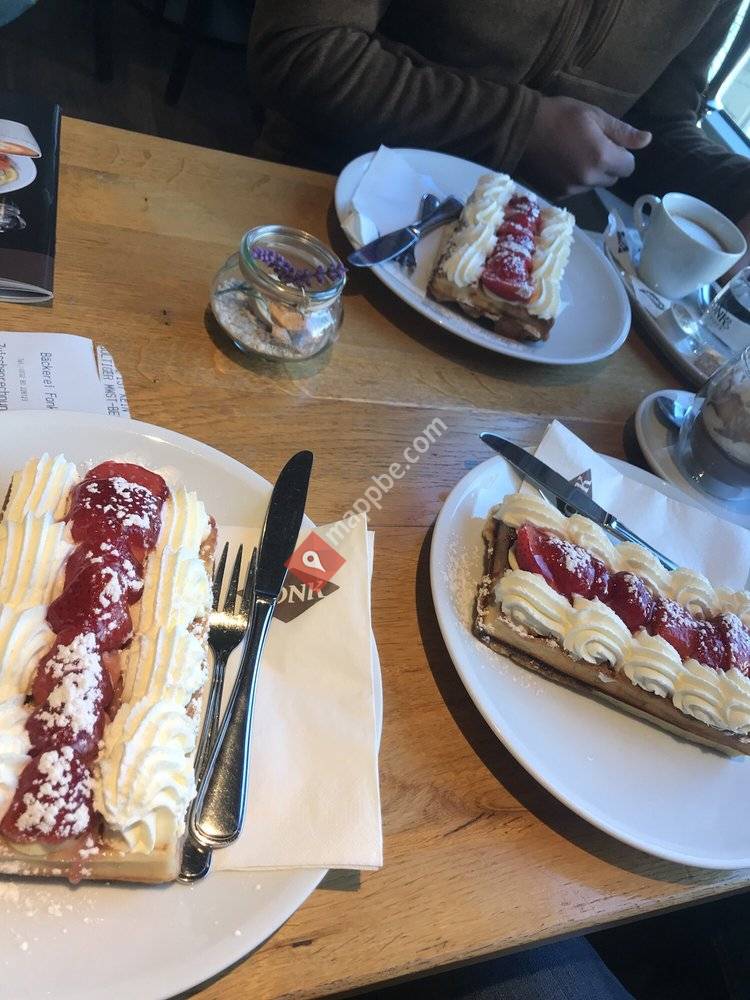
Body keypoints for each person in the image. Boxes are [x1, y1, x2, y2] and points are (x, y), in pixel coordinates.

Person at [247, 0, 750, 263]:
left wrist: (740, 191)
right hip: (320, 207)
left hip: (514, 269)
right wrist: (520, 127)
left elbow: (654, 125)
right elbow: (301, 48)